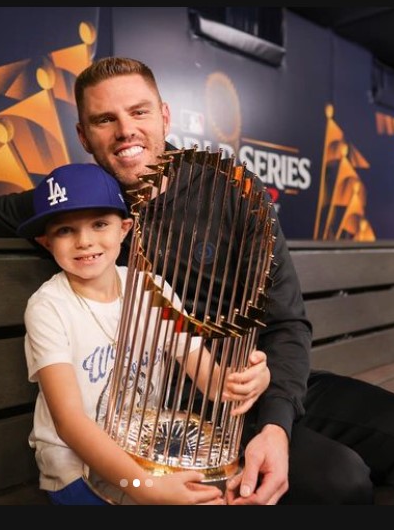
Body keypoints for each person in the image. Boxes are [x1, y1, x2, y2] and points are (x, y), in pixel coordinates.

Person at [0, 56, 394, 505]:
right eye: (104, 119)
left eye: (138, 112)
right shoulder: (78, 206)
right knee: (340, 480)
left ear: (164, 116)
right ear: (84, 135)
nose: (124, 130)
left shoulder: (233, 191)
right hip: (172, 414)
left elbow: (287, 323)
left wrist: (277, 420)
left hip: (256, 385)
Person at [15, 162, 269, 505]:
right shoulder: (48, 306)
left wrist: (246, 380)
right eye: (65, 231)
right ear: (46, 242)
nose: (84, 241)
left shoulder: (153, 289)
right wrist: (147, 488)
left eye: (100, 224)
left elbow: (210, 380)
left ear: (125, 228)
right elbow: (70, 423)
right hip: (74, 470)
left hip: (142, 456)